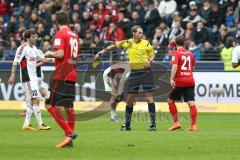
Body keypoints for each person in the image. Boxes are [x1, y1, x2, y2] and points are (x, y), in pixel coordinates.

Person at [94, 25, 157, 131]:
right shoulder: (128, 43)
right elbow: (113, 46)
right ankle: (127, 125)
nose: (141, 35)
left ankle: (153, 124)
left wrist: (150, 60)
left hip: (146, 72)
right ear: (134, 33)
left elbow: (152, 54)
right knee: (129, 100)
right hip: (134, 73)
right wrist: (101, 52)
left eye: (142, 33)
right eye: (139, 33)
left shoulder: (146, 43)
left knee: (149, 98)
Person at [44, 11, 79, 148]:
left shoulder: (60, 34)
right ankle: (69, 140)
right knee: (68, 107)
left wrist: (49, 52)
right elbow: (68, 55)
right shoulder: (74, 35)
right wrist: (52, 58)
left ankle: (69, 132)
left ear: (56, 22)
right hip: (72, 72)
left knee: (49, 105)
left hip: (61, 74)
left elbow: (60, 53)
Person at [8, 30, 51, 131]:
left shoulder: (34, 49)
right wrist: (13, 75)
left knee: (32, 101)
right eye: (33, 37)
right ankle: (40, 124)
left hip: (34, 78)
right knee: (36, 98)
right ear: (27, 38)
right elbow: (15, 62)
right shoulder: (23, 48)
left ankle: (26, 124)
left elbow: (43, 59)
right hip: (27, 78)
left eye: (35, 37)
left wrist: (55, 59)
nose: (35, 38)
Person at [168, 35, 197, 131]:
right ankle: (194, 125)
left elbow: (175, 66)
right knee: (191, 103)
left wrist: (172, 78)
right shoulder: (190, 53)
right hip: (190, 80)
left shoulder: (175, 53)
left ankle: (176, 122)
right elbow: (193, 68)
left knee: (170, 100)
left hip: (180, 81)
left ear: (175, 43)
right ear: (184, 43)